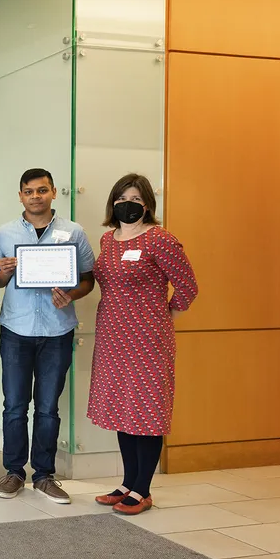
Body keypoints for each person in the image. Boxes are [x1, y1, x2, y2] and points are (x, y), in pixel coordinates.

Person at [88, 174, 197, 515]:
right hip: (112, 338)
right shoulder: (108, 240)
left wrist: (160, 320)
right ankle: (128, 482)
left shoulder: (160, 240)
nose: (127, 203)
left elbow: (187, 287)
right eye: (122, 197)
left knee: (146, 411)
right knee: (124, 410)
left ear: (147, 203)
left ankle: (143, 490)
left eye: (134, 197)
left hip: (147, 341)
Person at [0, 168, 96, 504]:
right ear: (20, 196)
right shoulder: (4, 233)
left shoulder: (73, 231)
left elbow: (88, 279)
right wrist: (2, 272)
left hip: (56, 330)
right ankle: (14, 472)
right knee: (15, 406)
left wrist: (72, 294)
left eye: (41, 190)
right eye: (28, 191)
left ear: (53, 192)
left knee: (49, 408)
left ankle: (45, 475)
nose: (35, 196)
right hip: (16, 330)